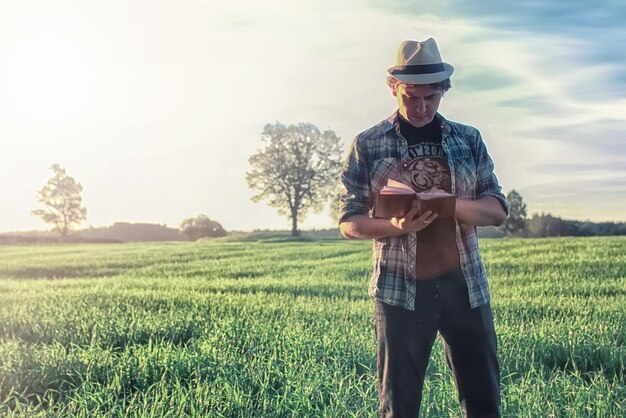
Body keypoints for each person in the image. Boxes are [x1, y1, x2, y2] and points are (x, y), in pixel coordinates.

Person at [338, 38, 509, 418]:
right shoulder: (368, 144)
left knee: (484, 402)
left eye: (431, 98)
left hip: (465, 285)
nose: (421, 108)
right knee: (399, 406)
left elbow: (496, 211)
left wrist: (450, 204)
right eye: (410, 97)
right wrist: (394, 225)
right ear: (393, 88)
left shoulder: (468, 139)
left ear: (443, 92)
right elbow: (348, 222)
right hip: (400, 290)